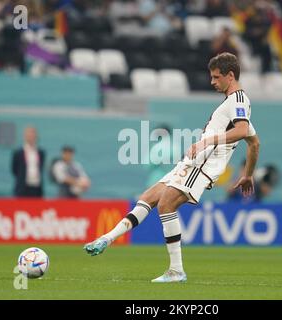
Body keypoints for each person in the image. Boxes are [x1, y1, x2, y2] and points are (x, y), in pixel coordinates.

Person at [84, 52, 260, 282]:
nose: (212, 82)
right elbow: (253, 142)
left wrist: (206, 141)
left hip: (203, 166)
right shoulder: (233, 103)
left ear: (230, 75)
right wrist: (247, 174)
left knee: (166, 204)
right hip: (193, 162)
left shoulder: (238, 99)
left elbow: (240, 131)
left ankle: (176, 270)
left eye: (217, 77)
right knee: (148, 197)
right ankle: (106, 239)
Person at [11, 126, 45, 197]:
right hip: (23, 187)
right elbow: (14, 170)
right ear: (24, 136)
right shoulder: (18, 153)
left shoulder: (41, 152)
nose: (31, 137)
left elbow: (41, 167)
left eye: (33, 135)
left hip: (37, 187)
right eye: (29, 135)